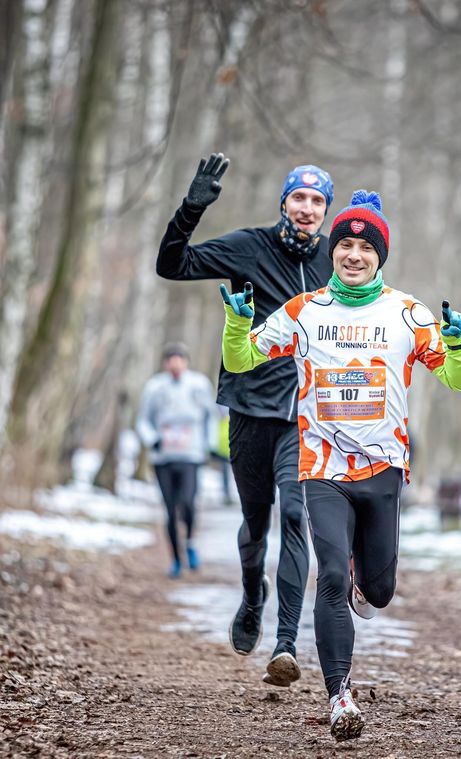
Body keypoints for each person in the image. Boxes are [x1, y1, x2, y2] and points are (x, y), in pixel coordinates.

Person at [219, 190, 461, 741]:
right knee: (330, 576)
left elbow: (460, 380)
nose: (354, 254)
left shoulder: (407, 313)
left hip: (383, 470)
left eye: (365, 246)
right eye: (345, 245)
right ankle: (340, 696)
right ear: (332, 252)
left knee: (377, 591)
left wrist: (457, 346)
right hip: (321, 467)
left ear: (380, 256)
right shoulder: (304, 312)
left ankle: (369, 582)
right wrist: (236, 326)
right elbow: (240, 362)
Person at [156, 153, 334, 685]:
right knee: (257, 522)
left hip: (305, 418)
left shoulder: (335, 261)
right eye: (298, 198)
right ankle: (251, 592)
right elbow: (172, 264)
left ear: (326, 210)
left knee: (297, 518)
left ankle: (285, 644)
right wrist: (191, 209)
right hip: (250, 411)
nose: (307, 208)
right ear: (284, 202)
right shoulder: (249, 247)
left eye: (317, 200)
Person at [136, 342, 217, 578]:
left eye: (179, 359)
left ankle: (190, 542)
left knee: (189, 503)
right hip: (163, 458)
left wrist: (209, 445)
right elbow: (143, 420)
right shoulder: (154, 387)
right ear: (165, 363)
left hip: (190, 455)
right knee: (170, 510)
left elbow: (209, 416)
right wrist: (153, 439)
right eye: (171, 360)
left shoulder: (199, 384)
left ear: (186, 362)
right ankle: (175, 560)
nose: (175, 364)